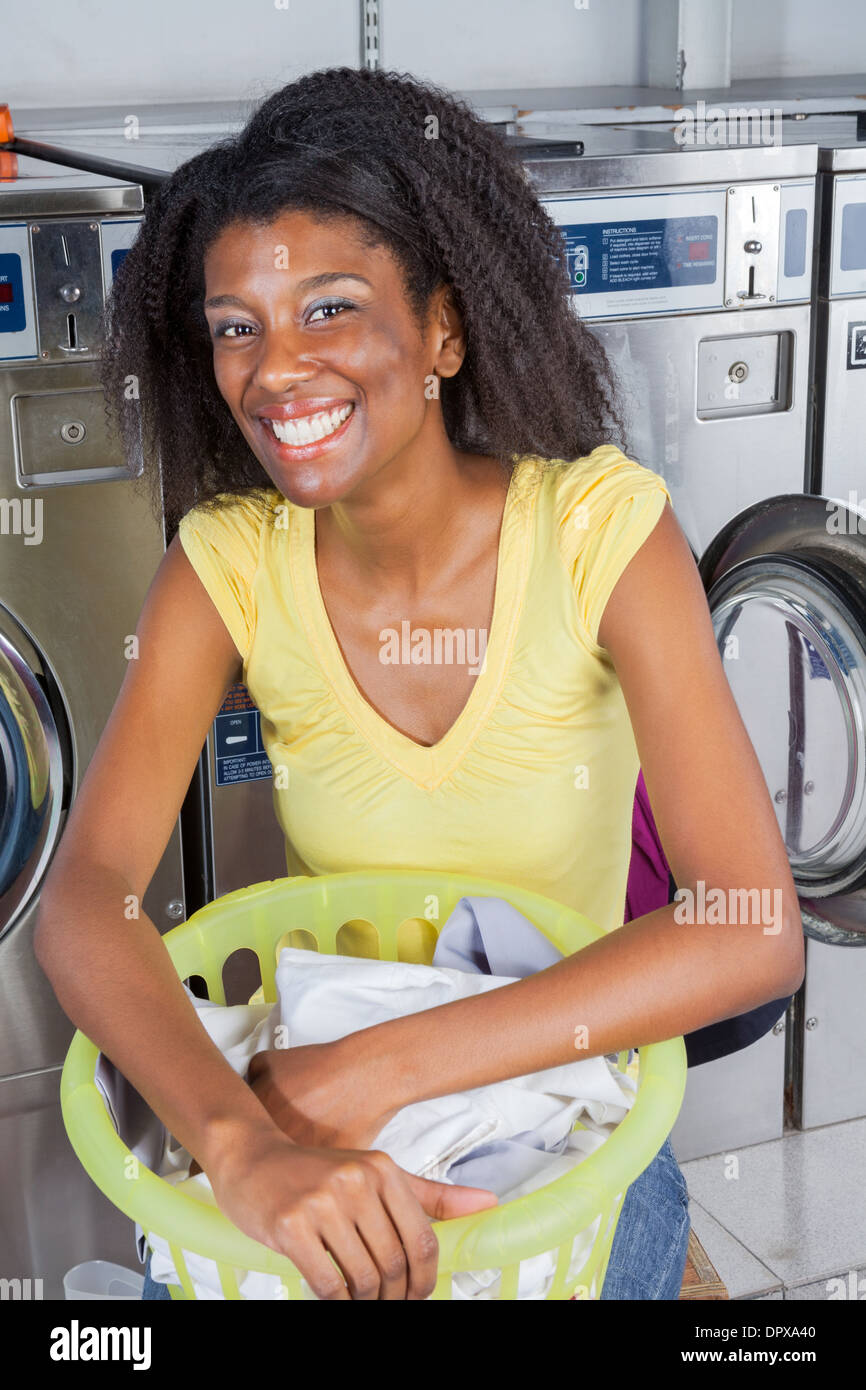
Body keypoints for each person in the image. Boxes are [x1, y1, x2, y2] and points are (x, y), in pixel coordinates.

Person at [35, 66, 804, 1302]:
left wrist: (380, 1070)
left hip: (567, 1130)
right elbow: (84, 895)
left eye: (328, 309)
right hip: (325, 1115)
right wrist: (239, 1143)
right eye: (236, 324)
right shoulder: (226, 565)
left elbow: (753, 927)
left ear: (443, 328)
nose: (274, 369)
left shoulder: (598, 535)